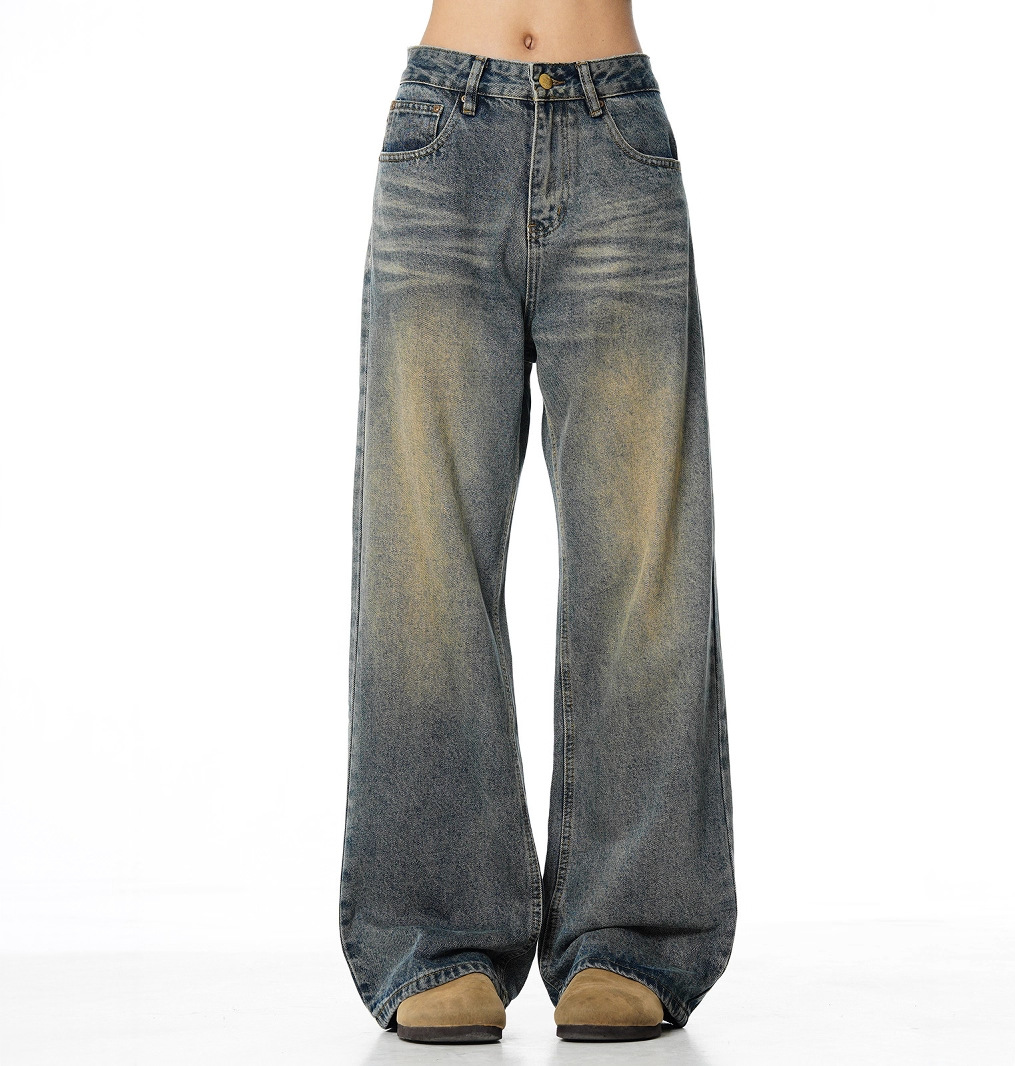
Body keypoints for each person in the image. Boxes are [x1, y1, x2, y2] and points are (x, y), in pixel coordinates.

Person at [338, 0, 737, 1044]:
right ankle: (438, 931)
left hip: (618, 139)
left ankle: (630, 932)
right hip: (443, 137)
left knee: (642, 557)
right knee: (425, 555)